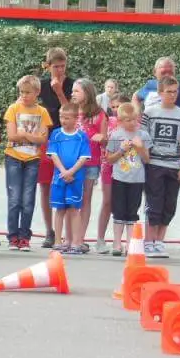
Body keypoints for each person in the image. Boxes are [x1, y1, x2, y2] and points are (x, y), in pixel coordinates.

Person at [141, 76, 180, 258]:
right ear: (160, 93)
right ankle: (149, 241)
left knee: (169, 204)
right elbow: (143, 137)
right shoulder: (150, 112)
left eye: (175, 91)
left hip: (174, 165)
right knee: (153, 203)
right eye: (169, 91)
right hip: (154, 164)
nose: (173, 95)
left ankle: (159, 242)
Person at [4, 76, 52, 252]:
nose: (24, 95)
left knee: (28, 199)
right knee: (14, 198)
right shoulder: (13, 109)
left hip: (32, 159)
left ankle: (25, 237)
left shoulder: (42, 112)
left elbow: (42, 139)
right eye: (21, 92)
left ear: (37, 93)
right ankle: (13, 236)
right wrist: (31, 137)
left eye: (28, 92)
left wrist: (26, 135)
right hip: (13, 157)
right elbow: (11, 136)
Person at [38, 47, 74, 249]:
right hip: (45, 140)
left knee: (65, 183)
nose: (60, 70)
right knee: (44, 186)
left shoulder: (72, 85)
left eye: (63, 66)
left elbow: (72, 112)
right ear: (48, 66)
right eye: (56, 66)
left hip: (67, 141)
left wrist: (60, 91)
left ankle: (67, 234)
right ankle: (49, 231)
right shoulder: (40, 86)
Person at [105, 102, 152, 256]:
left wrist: (139, 148)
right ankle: (117, 243)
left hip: (137, 180)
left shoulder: (143, 135)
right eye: (128, 120)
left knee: (132, 212)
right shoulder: (116, 135)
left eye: (134, 119)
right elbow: (109, 159)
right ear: (120, 121)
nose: (132, 123)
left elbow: (147, 159)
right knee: (118, 211)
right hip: (119, 178)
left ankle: (130, 244)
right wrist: (121, 150)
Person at [47, 104, 91, 255]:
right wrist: (63, 171)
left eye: (67, 118)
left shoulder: (81, 136)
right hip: (59, 177)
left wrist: (71, 172)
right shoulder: (56, 134)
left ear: (75, 118)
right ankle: (58, 241)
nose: (63, 120)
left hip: (76, 178)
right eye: (61, 117)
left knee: (74, 209)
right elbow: (53, 154)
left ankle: (76, 242)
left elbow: (84, 157)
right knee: (59, 209)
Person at [71, 79, 108, 255]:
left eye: (77, 91)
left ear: (87, 92)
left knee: (85, 200)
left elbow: (105, 138)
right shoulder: (70, 111)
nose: (73, 94)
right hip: (70, 162)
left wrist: (100, 137)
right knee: (70, 201)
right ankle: (69, 238)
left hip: (90, 162)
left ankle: (79, 239)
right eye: (73, 91)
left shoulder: (99, 114)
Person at [95, 92, 130, 253]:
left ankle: (120, 241)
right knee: (107, 201)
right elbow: (104, 142)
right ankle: (100, 239)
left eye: (119, 107)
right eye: (113, 107)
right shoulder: (108, 122)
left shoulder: (131, 124)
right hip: (108, 165)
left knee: (123, 203)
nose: (116, 110)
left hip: (125, 166)